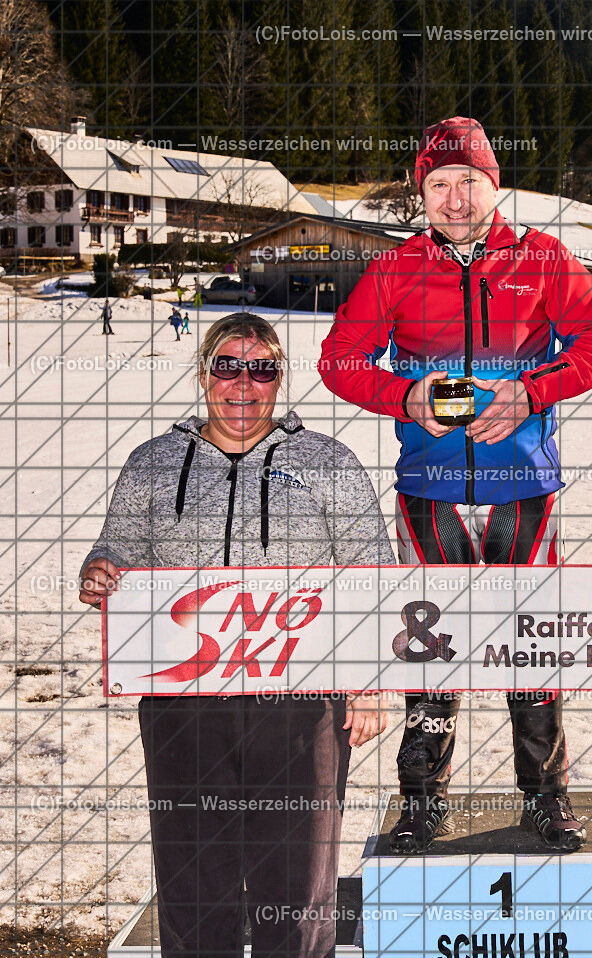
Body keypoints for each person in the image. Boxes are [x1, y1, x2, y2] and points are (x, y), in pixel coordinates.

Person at [319, 116, 592, 855]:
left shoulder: (543, 257)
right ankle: (421, 799)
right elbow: (339, 360)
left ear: (496, 184)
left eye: (468, 182)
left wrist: (534, 390)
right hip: (429, 488)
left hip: (524, 486)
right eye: (438, 185)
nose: (454, 199)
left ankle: (546, 798)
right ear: (422, 192)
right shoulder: (395, 268)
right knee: (433, 648)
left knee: (531, 644)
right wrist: (406, 397)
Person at [80, 313, 393, 958]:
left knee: (299, 885)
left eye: (262, 369)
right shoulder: (154, 464)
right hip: (184, 709)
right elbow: (116, 549)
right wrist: (101, 569)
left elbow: (375, 576)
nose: (243, 384)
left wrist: (370, 682)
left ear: (280, 381)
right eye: (228, 367)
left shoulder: (328, 462)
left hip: (302, 705)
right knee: (195, 881)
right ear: (203, 376)